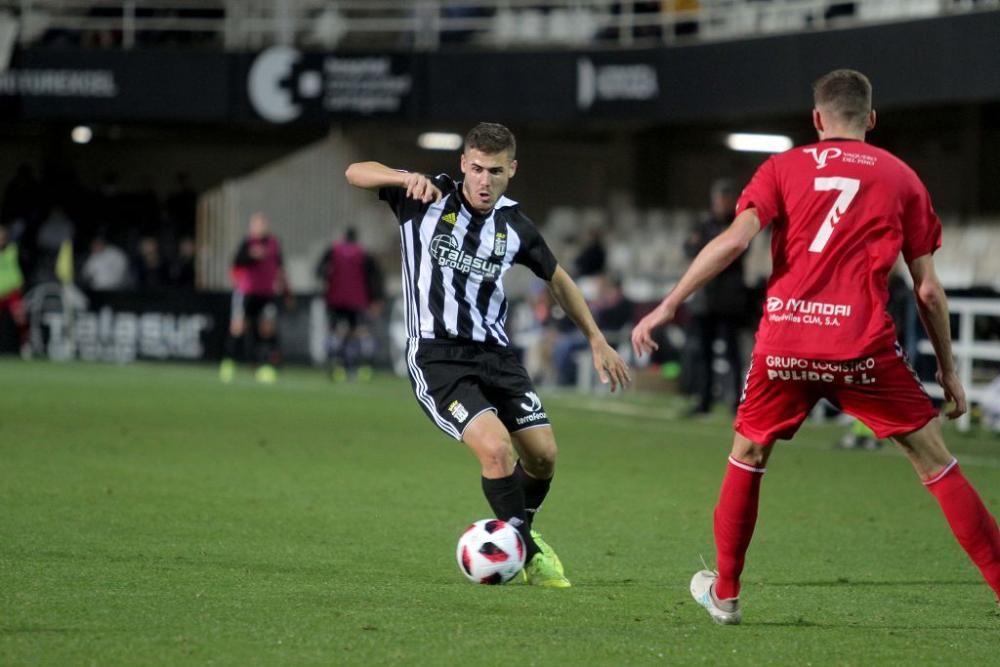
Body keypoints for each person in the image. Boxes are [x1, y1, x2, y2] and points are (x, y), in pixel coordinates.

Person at [632, 69, 1000, 623]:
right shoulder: (902, 178)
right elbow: (927, 288)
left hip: (786, 342)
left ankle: (726, 594)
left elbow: (734, 241)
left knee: (748, 454)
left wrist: (667, 304)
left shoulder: (782, 167)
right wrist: (947, 371)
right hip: (861, 345)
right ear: (871, 119)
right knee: (935, 461)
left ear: (816, 119)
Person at [345, 122, 631, 588]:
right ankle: (527, 553)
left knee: (543, 457)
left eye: (494, 171)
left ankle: (517, 533)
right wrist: (402, 178)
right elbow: (356, 171)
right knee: (496, 450)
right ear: (462, 165)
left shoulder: (515, 226)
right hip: (439, 357)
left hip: (497, 354)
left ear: (511, 171)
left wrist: (597, 338)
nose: (483, 180)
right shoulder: (426, 197)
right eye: (475, 168)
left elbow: (558, 280)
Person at [682, 178, 748, 415]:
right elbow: (690, 250)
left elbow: (734, 252)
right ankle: (704, 400)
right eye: (719, 198)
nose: (721, 203)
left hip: (729, 301)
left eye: (726, 199)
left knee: (733, 354)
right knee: (704, 353)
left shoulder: (739, 224)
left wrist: (710, 250)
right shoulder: (704, 224)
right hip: (706, 299)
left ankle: (737, 402)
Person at [219, 213, 291, 384]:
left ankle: (264, 365)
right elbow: (237, 262)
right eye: (255, 224)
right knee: (238, 328)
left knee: (266, 330)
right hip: (246, 292)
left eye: (262, 224)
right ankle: (228, 363)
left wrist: (286, 290)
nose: (259, 228)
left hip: (266, 294)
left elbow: (281, 267)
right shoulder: (247, 243)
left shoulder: (274, 243)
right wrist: (251, 256)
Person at [314, 227, 384, 381]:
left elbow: (319, 270)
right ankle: (363, 367)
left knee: (336, 331)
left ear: (343, 237)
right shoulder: (363, 253)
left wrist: (327, 284)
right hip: (358, 300)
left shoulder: (333, 250)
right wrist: (377, 298)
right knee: (359, 332)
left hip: (335, 299)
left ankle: (336, 365)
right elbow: (374, 277)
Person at [0, 224, 30, 357]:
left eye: (2, 236)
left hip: (12, 291)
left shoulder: (13, 250)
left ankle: (25, 345)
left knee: (20, 317)